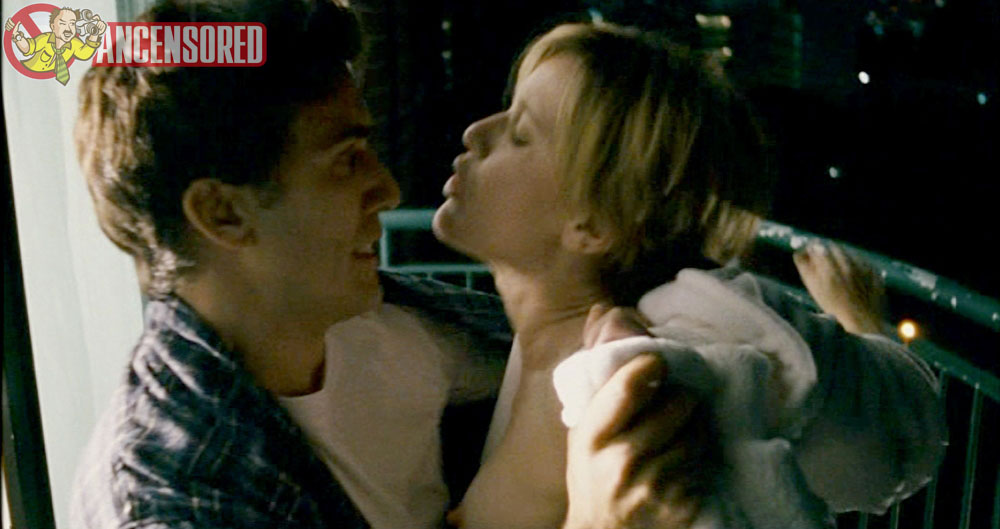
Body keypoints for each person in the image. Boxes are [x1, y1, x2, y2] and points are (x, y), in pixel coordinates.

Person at [68, 1, 700, 528]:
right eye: (347, 160)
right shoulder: (174, 499)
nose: (389, 191)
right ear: (223, 214)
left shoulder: (397, 327)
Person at [432, 22, 946, 529]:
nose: (477, 132)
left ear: (591, 225)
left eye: (521, 134)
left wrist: (858, 324)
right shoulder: (531, 343)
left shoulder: (655, 379)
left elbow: (895, 443)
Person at [5, 7, 107, 84]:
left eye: (72, 24)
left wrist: (95, 33)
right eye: (62, 23)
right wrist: (16, 36)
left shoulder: (74, 43)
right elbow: (27, 48)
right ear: (53, 27)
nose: (68, 28)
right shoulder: (45, 39)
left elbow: (84, 53)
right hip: (27, 79)